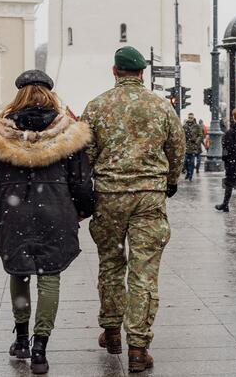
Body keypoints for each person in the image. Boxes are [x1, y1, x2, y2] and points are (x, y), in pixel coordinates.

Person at [0, 70, 94, 375]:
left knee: (20, 272)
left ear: (20, 95)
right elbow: (81, 182)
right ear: (49, 94)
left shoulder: (1, 133)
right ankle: (40, 348)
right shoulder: (68, 132)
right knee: (50, 276)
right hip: (55, 211)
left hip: (12, 214)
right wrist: (81, 210)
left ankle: (21, 339)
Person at [81, 46, 184, 373]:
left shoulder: (96, 107)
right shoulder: (160, 106)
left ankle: (112, 333)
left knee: (111, 263)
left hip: (109, 196)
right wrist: (170, 180)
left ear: (115, 71)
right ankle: (138, 348)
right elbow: (177, 146)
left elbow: (85, 154)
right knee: (144, 270)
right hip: (149, 197)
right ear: (142, 72)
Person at [182, 113, 204, 181]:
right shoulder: (184, 126)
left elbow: (200, 135)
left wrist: (196, 142)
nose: (190, 119)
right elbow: (182, 135)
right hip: (186, 146)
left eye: (191, 118)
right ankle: (188, 173)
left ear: (193, 118)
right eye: (189, 117)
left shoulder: (197, 126)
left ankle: (190, 175)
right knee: (185, 162)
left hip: (193, 146)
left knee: (191, 162)